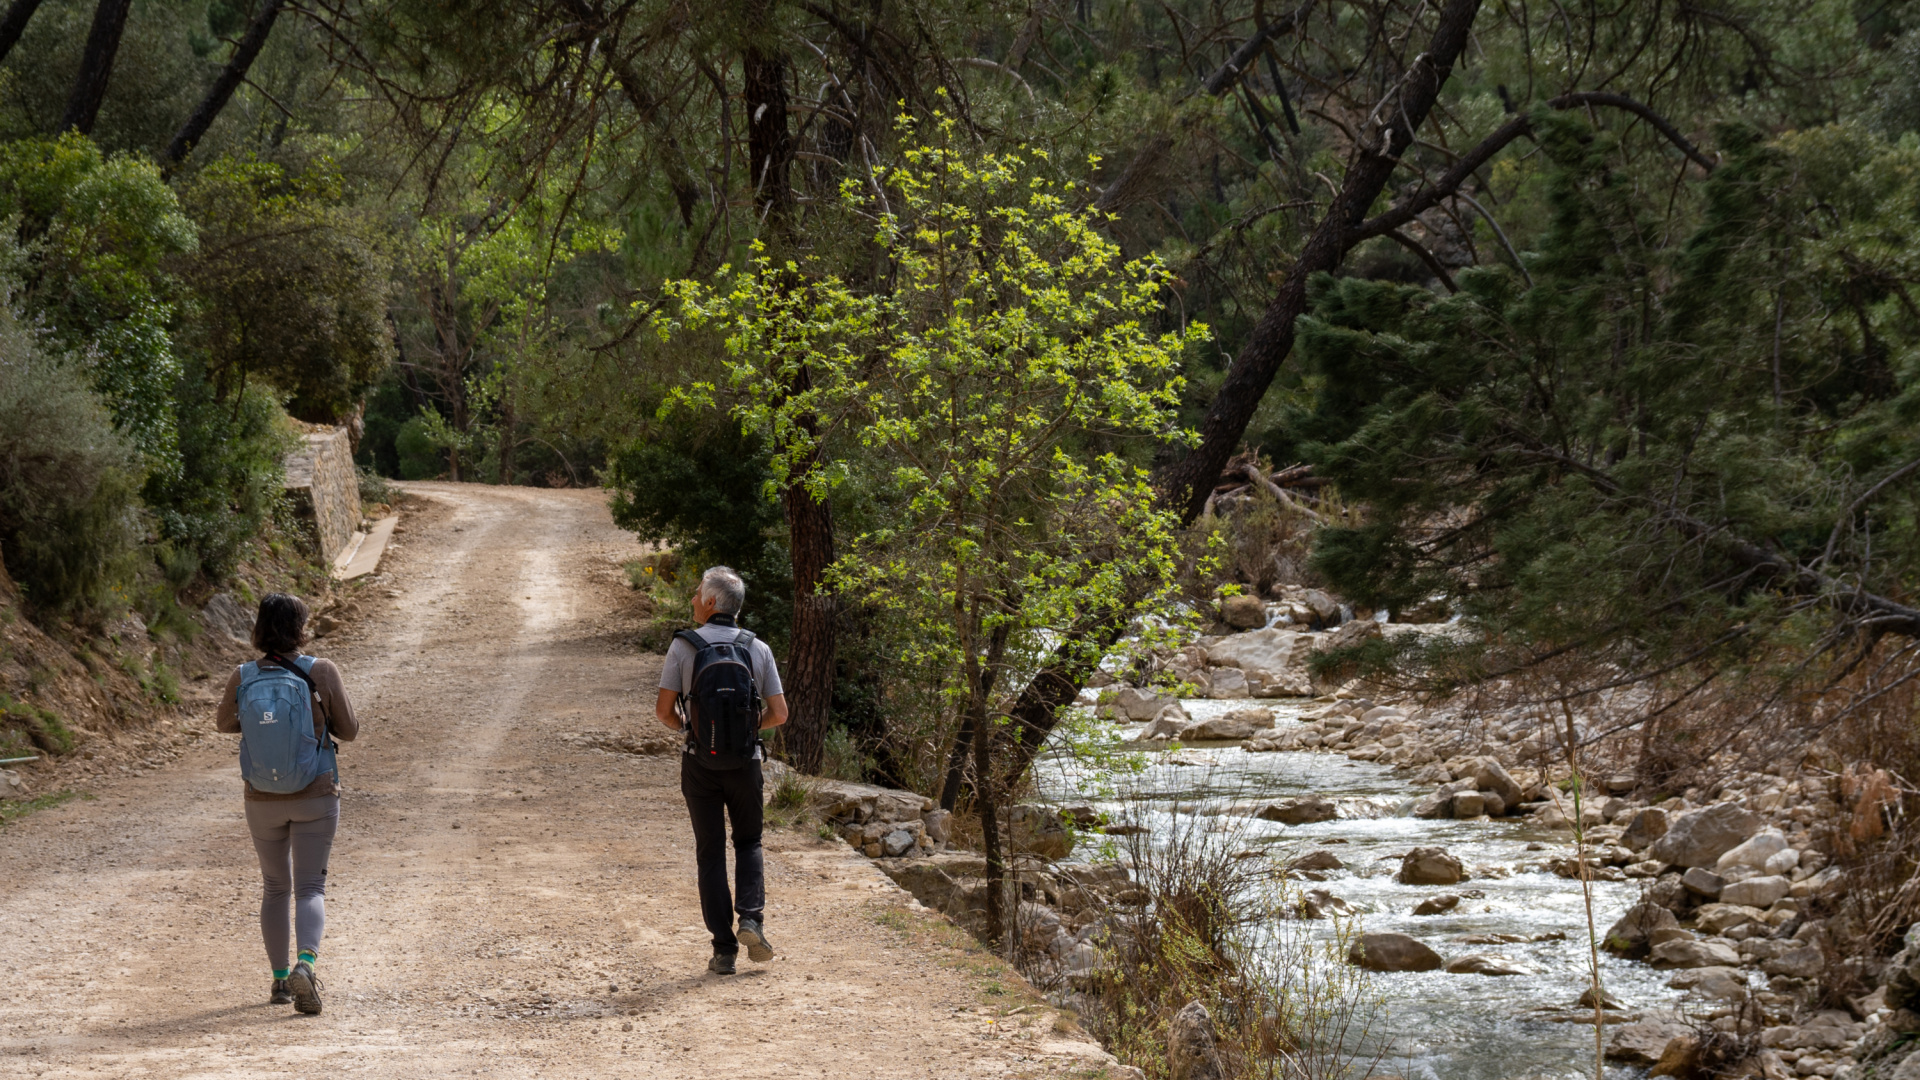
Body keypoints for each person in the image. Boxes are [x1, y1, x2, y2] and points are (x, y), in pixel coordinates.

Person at [215, 593, 358, 1014]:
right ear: (300, 627)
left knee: (275, 886)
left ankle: (279, 981)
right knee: (310, 886)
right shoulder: (322, 671)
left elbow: (224, 723)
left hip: (261, 796)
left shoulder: (242, 676)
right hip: (314, 793)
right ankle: (306, 964)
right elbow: (348, 731)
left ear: (259, 627)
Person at [655, 566, 788, 975]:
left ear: (712, 602)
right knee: (749, 842)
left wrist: (692, 730)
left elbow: (664, 711)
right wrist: (747, 730)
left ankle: (724, 950)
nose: (693, 599)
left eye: (697, 594)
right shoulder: (757, 647)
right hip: (745, 764)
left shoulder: (684, 647)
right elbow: (779, 714)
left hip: (700, 764)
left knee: (710, 853)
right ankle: (751, 919)